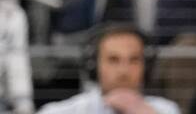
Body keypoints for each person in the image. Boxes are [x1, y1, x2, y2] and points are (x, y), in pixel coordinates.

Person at [38, 25, 179, 114]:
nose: (124, 71)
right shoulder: (60, 111)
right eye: (113, 60)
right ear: (93, 65)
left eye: (134, 60)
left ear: (146, 67)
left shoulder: (165, 110)